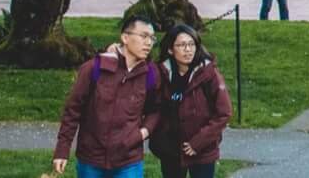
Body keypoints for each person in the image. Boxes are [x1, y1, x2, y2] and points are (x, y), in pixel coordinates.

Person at [52, 14, 159, 177]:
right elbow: (73, 110)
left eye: (152, 38)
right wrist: (62, 149)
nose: (149, 42)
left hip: (129, 160)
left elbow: (155, 109)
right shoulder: (94, 68)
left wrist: (143, 133)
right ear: (125, 37)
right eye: (143, 36)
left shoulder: (151, 73)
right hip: (91, 159)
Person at [151, 23, 230, 178]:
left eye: (191, 44)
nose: (188, 49)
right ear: (170, 49)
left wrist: (198, 142)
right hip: (170, 149)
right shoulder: (161, 72)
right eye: (181, 45)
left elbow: (224, 113)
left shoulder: (209, 73)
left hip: (202, 150)